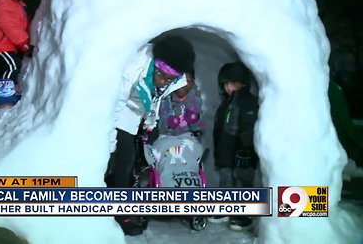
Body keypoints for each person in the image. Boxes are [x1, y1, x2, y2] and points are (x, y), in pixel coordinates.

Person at [106, 35, 196, 236]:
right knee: (123, 162)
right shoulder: (134, 68)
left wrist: (150, 124)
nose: (165, 81)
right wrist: (110, 145)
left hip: (136, 116)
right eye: (162, 75)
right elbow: (114, 104)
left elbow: (156, 97)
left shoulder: (172, 78)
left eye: (170, 79)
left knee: (132, 162)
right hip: (117, 115)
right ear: (155, 65)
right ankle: (122, 216)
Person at [210, 61, 259, 231]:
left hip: (242, 152)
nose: (227, 87)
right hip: (226, 150)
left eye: (231, 83)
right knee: (226, 182)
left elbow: (249, 126)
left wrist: (246, 147)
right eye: (225, 84)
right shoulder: (227, 103)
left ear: (242, 83)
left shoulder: (248, 102)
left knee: (242, 183)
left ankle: (243, 215)